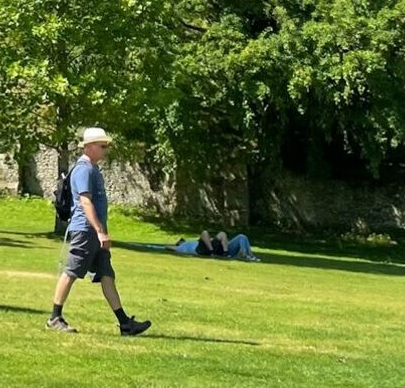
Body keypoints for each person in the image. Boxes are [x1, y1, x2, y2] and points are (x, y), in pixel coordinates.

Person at [48, 127, 150, 336]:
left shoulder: (92, 169)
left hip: (93, 232)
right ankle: (54, 317)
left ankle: (125, 323)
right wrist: (100, 231)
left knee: (106, 275)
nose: (105, 150)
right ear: (88, 147)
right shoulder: (84, 169)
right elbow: (85, 202)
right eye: (102, 146)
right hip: (85, 231)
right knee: (72, 271)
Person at [173, 231, 259, 261]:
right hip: (212, 250)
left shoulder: (191, 242)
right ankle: (226, 253)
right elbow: (169, 247)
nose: (182, 241)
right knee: (220, 233)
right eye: (181, 241)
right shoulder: (181, 247)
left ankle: (249, 255)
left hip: (220, 247)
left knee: (242, 236)